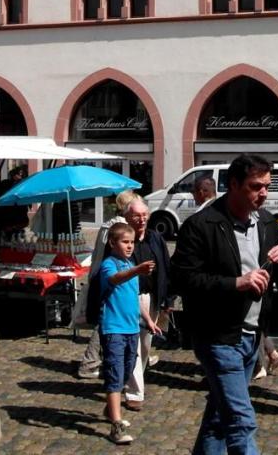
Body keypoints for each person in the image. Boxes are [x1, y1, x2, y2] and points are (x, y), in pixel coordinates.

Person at [170, 153, 278, 455]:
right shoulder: (201, 225)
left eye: (267, 186)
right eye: (256, 186)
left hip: (252, 335)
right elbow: (184, 280)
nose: (263, 193)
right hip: (217, 335)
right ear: (234, 185)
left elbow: (275, 276)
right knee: (240, 421)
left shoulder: (266, 222)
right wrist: (236, 283)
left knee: (219, 419)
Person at [98, 222, 160, 445]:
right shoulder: (109, 264)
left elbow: (134, 297)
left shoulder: (130, 264)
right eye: (125, 242)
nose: (130, 246)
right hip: (113, 329)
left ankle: (110, 408)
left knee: (125, 372)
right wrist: (137, 270)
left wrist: (149, 320)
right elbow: (115, 279)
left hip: (132, 329)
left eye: (132, 242)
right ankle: (116, 425)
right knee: (115, 374)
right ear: (112, 243)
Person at [77, 189, 139, 379]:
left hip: (99, 274)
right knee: (105, 322)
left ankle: (108, 359)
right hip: (108, 277)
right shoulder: (119, 227)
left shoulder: (107, 224)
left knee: (106, 321)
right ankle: (90, 362)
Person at [121, 197, 169, 413]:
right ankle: (134, 392)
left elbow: (166, 266)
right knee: (134, 345)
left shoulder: (155, 238)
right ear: (127, 217)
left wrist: (168, 298)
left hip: (153, 297)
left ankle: (132, 380)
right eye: (136, 216)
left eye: (144, 215)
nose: (141, 220)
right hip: (131, 298)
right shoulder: (121, 239)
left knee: (145, 345)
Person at [0, 165, 29, 241]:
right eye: (18, 175)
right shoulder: (3, 186)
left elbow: (24, 214)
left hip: (18, 227)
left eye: (22, 177)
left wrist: (20, 225)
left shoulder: (23, 191)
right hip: (3, 226)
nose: (20, 178)